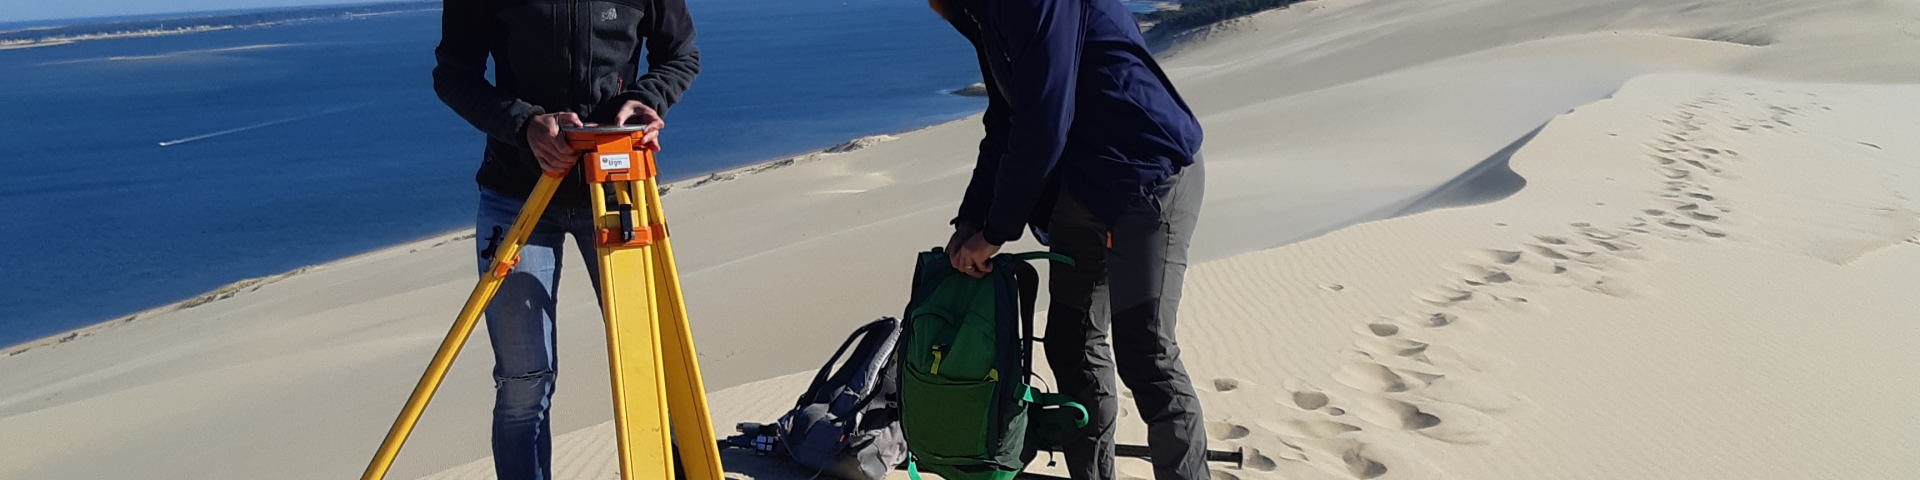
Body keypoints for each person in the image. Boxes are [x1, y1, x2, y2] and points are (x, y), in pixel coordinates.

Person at [926, 0, 1208, 479]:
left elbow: (1042, 121)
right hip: (1081, 192)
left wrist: (995, 232)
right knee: (1071, 343)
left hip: (1146, 178)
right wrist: (970, 219)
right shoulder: (985, 13)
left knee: (1147, 354)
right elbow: (1006, 119)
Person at [431, 0, 700, 477]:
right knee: (523, 383)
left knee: (654, 363)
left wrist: (647, 99)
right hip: (518, 194)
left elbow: (680, 55)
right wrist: (525, 124)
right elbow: (454, 75)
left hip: (618, 190)